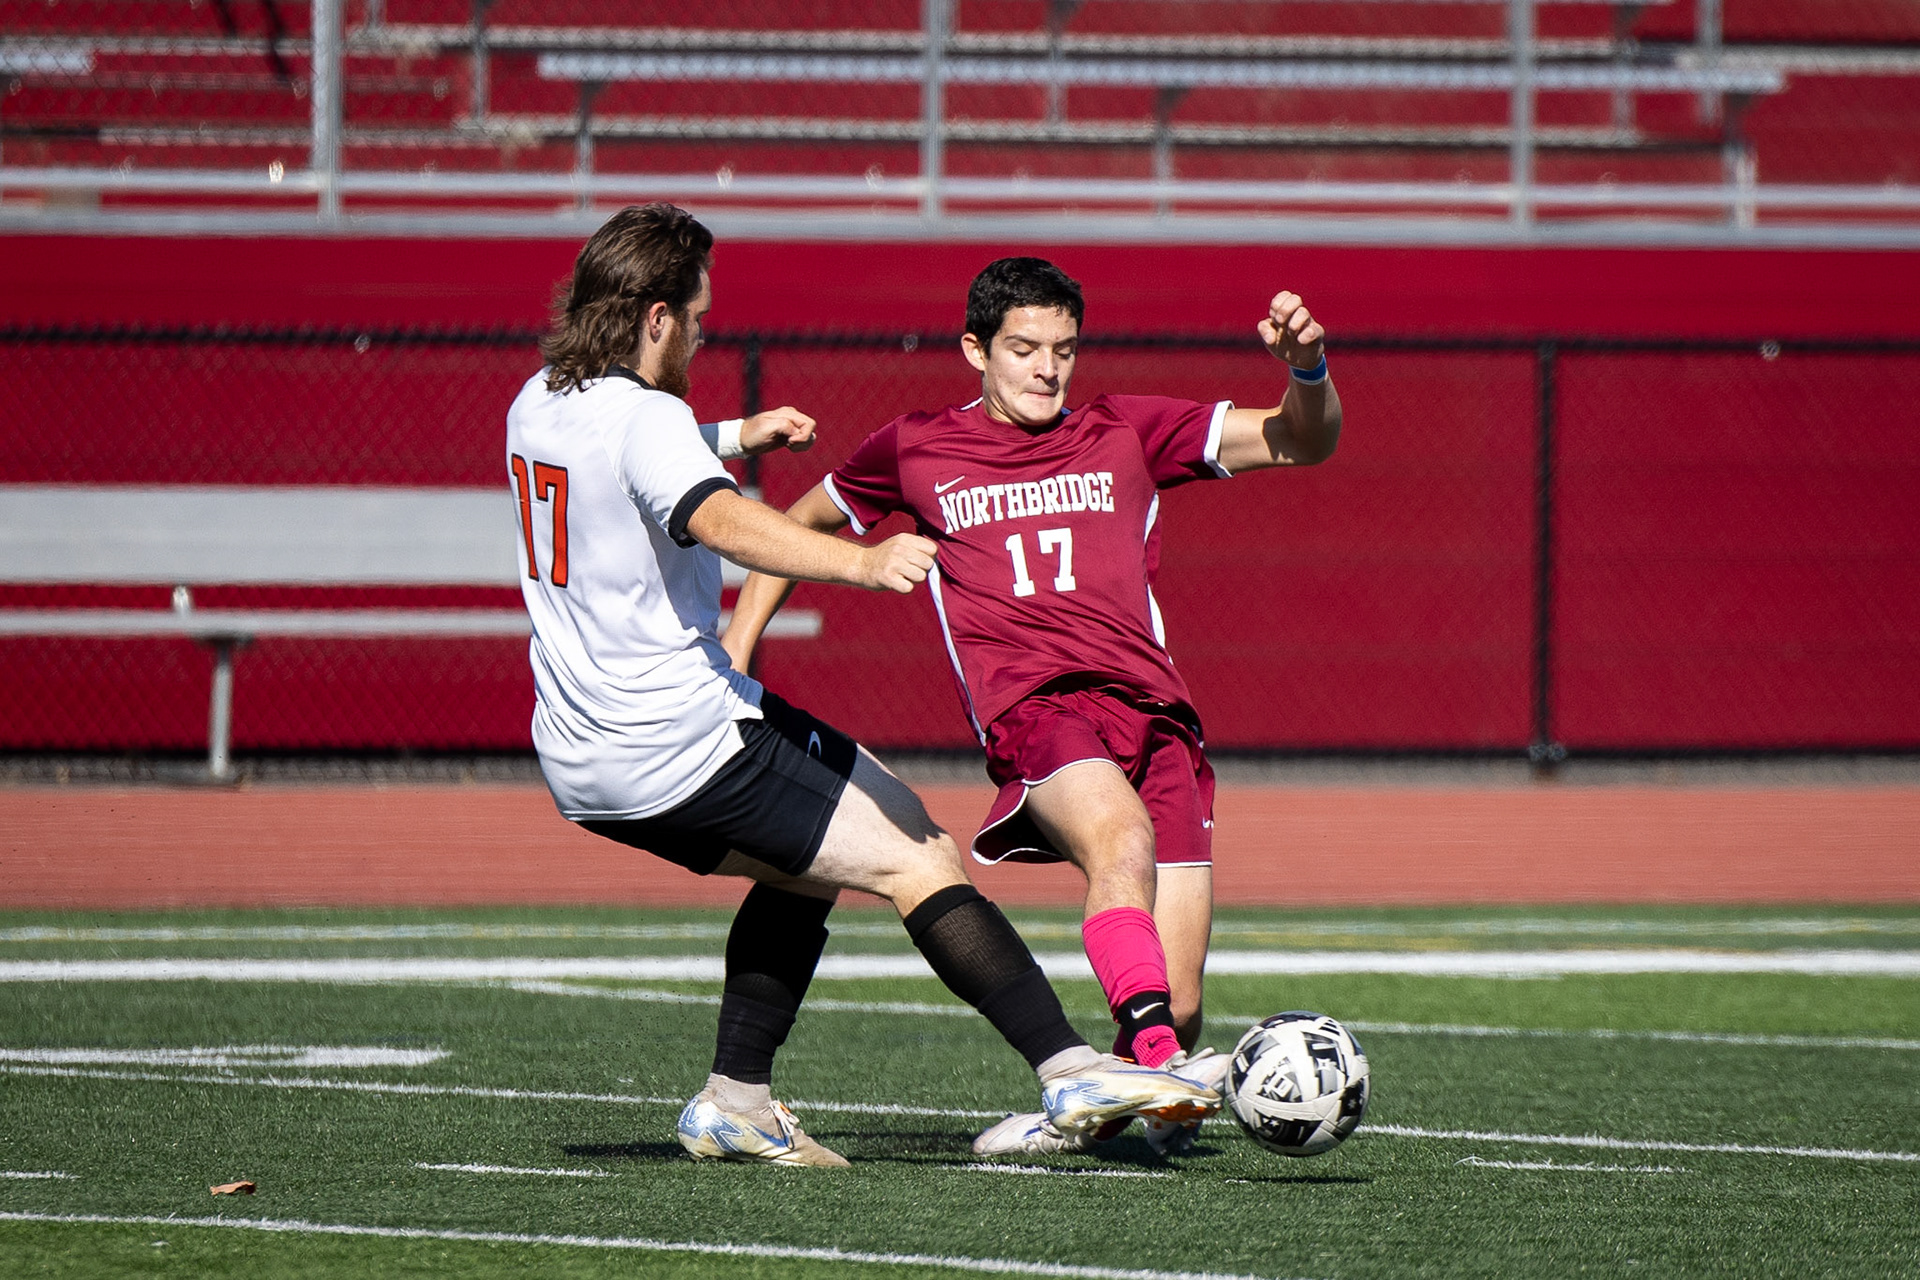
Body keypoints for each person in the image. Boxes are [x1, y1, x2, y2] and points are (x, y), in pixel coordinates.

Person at [507, 211, 1219, 1168]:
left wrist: (733, 428)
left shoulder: (540, 399)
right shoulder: (650, 419)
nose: (706, 335)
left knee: (814, 866)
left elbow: (616, 455)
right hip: (679, 737)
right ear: (657, 319)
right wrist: (861, 562)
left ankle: (736, 1100)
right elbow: (717, 516)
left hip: (579, 755)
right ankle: (1068, 1068)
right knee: (917, 850)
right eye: (701, 320)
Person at [723, 256, 1341, 1156]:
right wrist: (740, 649)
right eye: (1023, 349)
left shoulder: (1125, 429)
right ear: (976, 349)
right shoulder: (917, 445)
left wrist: (1309, 372)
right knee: (1119, 844)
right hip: (1040, 713)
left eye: (1063, 348)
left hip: (1158, 719)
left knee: (1181, 995)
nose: (1047, 368)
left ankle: (1091, 1113)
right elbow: (796, 524)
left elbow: (1303, 439)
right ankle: (1146, 1063)